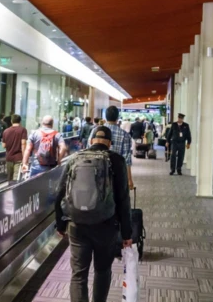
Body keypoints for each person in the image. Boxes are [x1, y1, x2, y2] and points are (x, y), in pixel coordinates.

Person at [56, 125, 133, 302]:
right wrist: (127, 233)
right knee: (103, 270)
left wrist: (60, 224)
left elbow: (59, 193)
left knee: (78, 274)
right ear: (110, 143)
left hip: (77, 225)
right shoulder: (116, 160)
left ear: (90, 141)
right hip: (106, 226)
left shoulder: (75, 159)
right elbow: (123, 200)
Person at [89, 106, 134, 190]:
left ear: (105, 116)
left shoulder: (95, 131)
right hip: (116, 173)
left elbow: (89, 150)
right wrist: (129, 180)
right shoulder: (125, 135)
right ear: (117, 118)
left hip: (96, 172)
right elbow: (126, 160)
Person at [1, 114, 28, 181]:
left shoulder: (6, 131)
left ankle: (9, 190)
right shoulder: (23, 130)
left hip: (9, 158)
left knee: (9, 178)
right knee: (16, 178)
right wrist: (25, 158)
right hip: (18, 158)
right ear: (20, 121)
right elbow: (23, 144)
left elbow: (4, 145)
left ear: (11, 121)